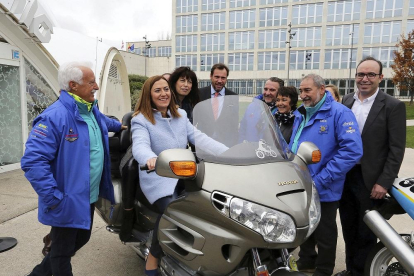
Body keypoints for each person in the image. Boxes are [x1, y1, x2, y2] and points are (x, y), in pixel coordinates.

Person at [21, 62, 123, 276]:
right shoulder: (54, 117)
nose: (96, 86)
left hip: (88, 196)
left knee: (81, 239)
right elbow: (33, 161)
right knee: (61, 254)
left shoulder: (90, 109)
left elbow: (104, 122)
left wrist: (124, 125)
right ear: (73, 85)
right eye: (91, 82)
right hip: (66, 200)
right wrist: (54, 198)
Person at [131, 75, 227, 276]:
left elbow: (201, 139)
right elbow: (140, 146)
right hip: (159, 177)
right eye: (157, 90)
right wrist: (150, 159)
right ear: (149, 95)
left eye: (166, 89)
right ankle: (153, 259)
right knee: (173, 211)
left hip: (186, 175)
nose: (163, 93)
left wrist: (229, 151)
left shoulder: (181, 115)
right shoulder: (141, 119)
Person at [335, 57, 406, 276]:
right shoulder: (346, 101)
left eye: (370, 75)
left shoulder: (393, 106)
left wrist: (383, 182)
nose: (364, 79)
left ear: (380, 78)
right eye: (360, 74)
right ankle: (351, 269)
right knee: (348, 228)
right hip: (345, 176)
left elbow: (396, 149)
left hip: (371, 180)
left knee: (366, 231)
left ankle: (363, 272)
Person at [289, 74, 363, 276]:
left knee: (325, 232)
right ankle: (307, 262)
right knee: (305, 227)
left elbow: (352, 151)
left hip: (323, 185)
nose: (302, 95)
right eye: (301, 91)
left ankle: (323, 270)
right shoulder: (301, 112)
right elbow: (295, 144)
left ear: (322, 89)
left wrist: (321, 180)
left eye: (307, 90)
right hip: (301, 183)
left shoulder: (340, 113)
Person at [196, 63, 239, 146]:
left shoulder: (233, 97)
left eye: (223, 78)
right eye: (217, 77)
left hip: (224, 145)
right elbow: (194, 120)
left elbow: (234, 124)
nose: (220, 81)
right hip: (203, 144)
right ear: (211, 76)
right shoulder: (199, 94)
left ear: (226, 79)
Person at [239, 77, 284, 142]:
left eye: (272, 90)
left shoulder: (282, 112)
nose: (267, 93)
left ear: (280, 92)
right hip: (249, 150)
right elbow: (242, 129)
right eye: (265, 89)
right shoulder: (252, 106)